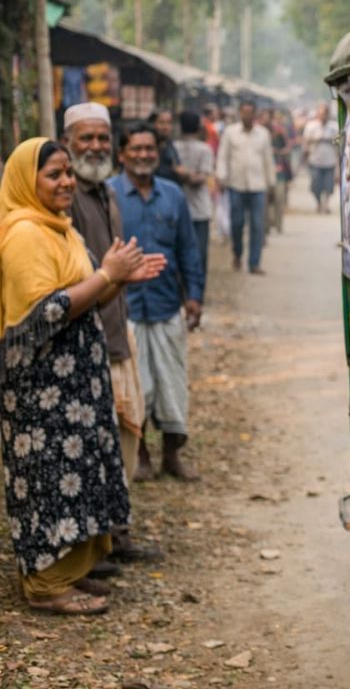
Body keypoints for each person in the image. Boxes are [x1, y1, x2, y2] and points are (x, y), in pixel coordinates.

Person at [0, 137, 163, 614]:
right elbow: (46, 312)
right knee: (50, 481)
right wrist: (106, 274)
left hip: (75, 388)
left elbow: (85, 300)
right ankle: (47, 586)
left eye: (68, 172)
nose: (67, 181)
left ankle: (70, 570)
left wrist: (115, 280)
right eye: (54, 174)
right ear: (27, 183)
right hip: (40, 392)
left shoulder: (61, 229)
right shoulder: (24, 234)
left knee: (76, 476)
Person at [63, 102, 165, 564]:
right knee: (97, 444)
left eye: (102, 138)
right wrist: (113, 276)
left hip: (118, 330)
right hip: (87, 338)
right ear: (68, 142)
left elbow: (111, 268)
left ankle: (116, 535)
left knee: (125, 436)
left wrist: (127, 275)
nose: (95, 146)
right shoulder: (65, 200)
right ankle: (97, 543)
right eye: (86, 138)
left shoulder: (105, 193)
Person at [108, 123, 206, 482]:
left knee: (172, 383)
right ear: (122, 154)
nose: (143, 155)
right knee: (138, 387)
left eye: (149, 148)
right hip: (125, 309)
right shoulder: (108, 195)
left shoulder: (172, 195)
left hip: (167, 305)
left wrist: (194, 295)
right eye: (135, 148)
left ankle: (171, 455)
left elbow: (188, 249)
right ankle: (143, 456)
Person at [215, 99, 274, 274]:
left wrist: (270, 184)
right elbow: (222, 157)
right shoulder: (230, 133)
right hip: (236, 185)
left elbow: (268, 160)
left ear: (255, 114)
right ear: (240, 114)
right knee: (237, 223)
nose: (247, 116)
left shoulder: (263, 134)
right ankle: (237, 254)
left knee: (257, 225)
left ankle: (254, 263)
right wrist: (221, 177)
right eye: (244, 112)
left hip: (258, 186)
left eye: (250, 112)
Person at [172, 111, 215, 275]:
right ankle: (197, 293)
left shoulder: (173, 148)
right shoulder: (205, 149)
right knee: (199, 254)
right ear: (198, 128)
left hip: (178, 209)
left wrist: (181, 174)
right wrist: (192, 176)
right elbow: (203, 177)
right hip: (199, 209)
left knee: (179, 252)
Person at [302, 103, 339, 214]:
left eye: (325, 114)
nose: (323, 116)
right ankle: (318, 203)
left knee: (329, 185)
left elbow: (339, 142)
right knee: (315, 185)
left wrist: (330, 140)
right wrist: (314, 139)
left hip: (330, 160)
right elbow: (305, 142)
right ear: (318, 114)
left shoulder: (334, 127)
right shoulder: (310, 126)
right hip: (315, 161)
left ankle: (326, 204)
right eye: (321, 114)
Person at [267, 108, 293, 232]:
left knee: (279, 198)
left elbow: (288, 148)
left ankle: (278, 224)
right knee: (267, 201)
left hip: (280, 171)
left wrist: (279, 152)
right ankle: (267, 224)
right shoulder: (263, 134)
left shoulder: (282, 132)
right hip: (266, 173)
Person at [148, 109, 187, 187]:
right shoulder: (148, 146)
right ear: (153, 124)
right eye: (161, 123)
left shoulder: (169, 144)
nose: (165, 127)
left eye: (169, 123)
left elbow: (178, 167)